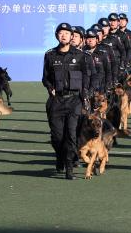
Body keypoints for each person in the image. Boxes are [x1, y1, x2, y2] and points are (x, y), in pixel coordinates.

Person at [42, 23, 92, 180]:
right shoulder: (50, 55)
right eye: (61, 33)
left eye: (67, 33)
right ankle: (60, 156)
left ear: (72, 36)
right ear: (57, 36)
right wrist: (50, 88)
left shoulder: (80, 56)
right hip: (56, 101)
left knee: (71, 135)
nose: (64, 35)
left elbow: (86, 76)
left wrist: (85, 96)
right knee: (57, 137)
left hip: (74, 101)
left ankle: (69, 169)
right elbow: (45, 78)